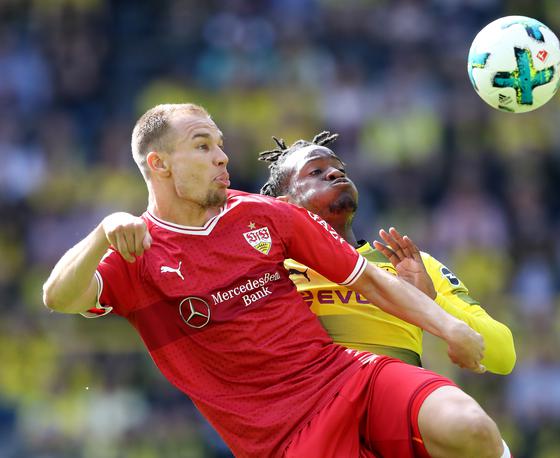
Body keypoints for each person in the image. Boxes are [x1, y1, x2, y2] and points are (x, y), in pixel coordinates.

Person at [42, 103, 509, 458]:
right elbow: (58, 297)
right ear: (159, 164)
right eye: (203, 146)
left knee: (470, 427)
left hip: (347, 378)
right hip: (282, 440)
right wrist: (104, 232)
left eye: (221, 144)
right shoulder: (134, 255)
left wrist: (450, 328)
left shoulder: (265, 215)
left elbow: (368, 279)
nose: (222, 158)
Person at [258, 132, 516, 373]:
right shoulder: (273, 273)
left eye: (340, 168)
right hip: (316, 410)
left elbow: (504, 356)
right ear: (285, 205)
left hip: (396, 410)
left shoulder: (413, 266)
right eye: (316, 171)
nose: (336, 172)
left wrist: (432, 299)